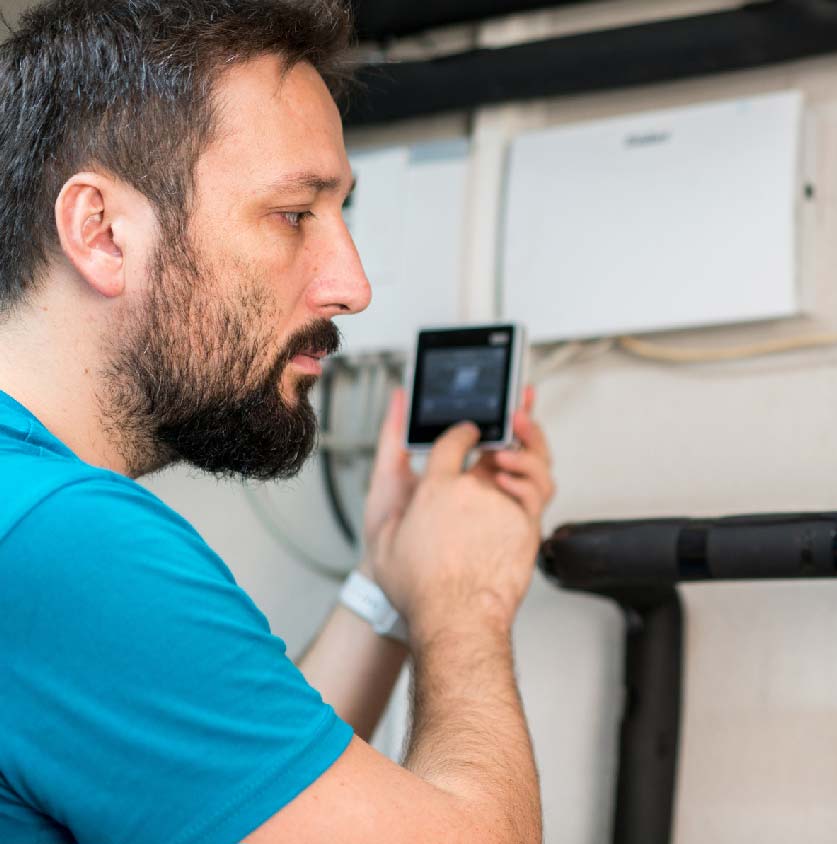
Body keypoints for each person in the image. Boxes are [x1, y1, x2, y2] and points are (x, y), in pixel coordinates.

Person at [0, 1, 554, 841]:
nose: (352, 284)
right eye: (295, 215)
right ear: (103, 232)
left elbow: (250, 785)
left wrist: (388, 584)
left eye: (344, 216)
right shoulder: (64, 539)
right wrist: (463, 600)